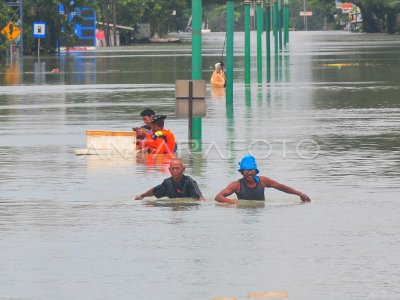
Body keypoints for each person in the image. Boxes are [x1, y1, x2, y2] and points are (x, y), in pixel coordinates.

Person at [215, 155, 311, 204]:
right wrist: (232, 202)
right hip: (243, 212)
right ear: (241, 172)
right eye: (246, 171)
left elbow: (281, 187)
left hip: (260, 212)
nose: (249, 173)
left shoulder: (263, 181)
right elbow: (218, 197)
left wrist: (300, 194)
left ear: (256, 171)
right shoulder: (237, 185)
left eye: (251, 170)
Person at [135, 158, 205, 201]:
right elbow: (154, 191)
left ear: (183, 170)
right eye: (172, 169)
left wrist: (202, 202)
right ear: (169, 170)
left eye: (177, 168)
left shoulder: (189, 182)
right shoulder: (167, 183)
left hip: (187, 208)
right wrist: (142, 196)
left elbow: (199, 196)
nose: (174, 171)